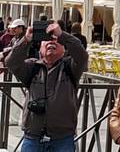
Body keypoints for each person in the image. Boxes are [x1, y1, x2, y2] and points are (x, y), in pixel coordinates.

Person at [6, 22, 88, 151]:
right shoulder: (32, 67)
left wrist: (62, 35)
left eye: (56, 41)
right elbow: (11, 62)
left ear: (64, 49)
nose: (51, 42)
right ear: (40, 48)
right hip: (33, 137)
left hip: (62, 138)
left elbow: (82, 56)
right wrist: (26, 40)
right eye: (46, 40)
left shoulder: (69, 67)